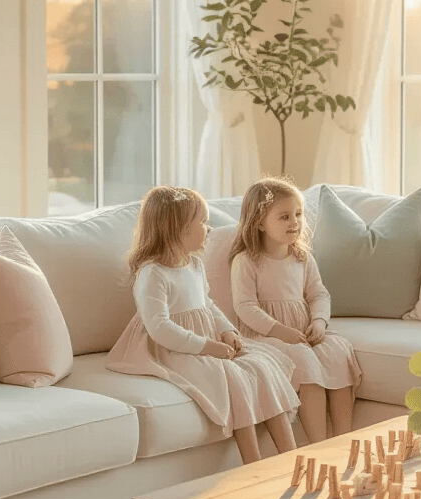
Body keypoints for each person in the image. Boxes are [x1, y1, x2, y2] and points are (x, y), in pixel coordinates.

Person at [106, 185, 299, 464]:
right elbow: (160, 328)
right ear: (179, 229)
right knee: (233, 377)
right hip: (174, 348)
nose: (209, 229)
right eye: (203, 223)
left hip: (207, 339)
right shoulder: (152, 273)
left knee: (262, 365)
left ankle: (292, 458)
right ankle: (254, 465)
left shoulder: (194, 265)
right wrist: (207, 346)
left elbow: (207, 304)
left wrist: (227, 331)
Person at [230, 177, 361, 443]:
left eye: (299, 215)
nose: (295, 222)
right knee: (303, 359)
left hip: (303, 331)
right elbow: (245, 307)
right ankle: (318, 443)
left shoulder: (302, 258)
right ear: (259, 223)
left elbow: (318, 294)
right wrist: (280, 331)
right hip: (264, 336)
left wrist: (320, 322)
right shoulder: (246, 261)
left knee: (338, 351)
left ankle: (344, 441)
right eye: (284, 216)